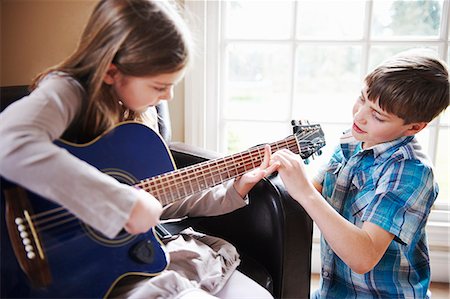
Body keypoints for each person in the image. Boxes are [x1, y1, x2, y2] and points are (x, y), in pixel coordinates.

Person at [0, 0, 278, 298]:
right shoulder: (65, 91)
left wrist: (232, 190)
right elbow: (9, 142)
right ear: (111, 71)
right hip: (68, 269)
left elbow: (156, 199)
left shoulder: (137, 114)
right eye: (160, 86)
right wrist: (123, 205)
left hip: (130, 256)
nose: (168, 96)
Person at [271, 51, 449, 298]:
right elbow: (311, 191)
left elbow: (363, 257)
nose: (359, 116)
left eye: (377, 115)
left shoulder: (411, 172)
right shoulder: (354, 140)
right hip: (332, 292)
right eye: (362, 98)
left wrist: (306, 193)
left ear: (414, 127)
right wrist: (280, 176)